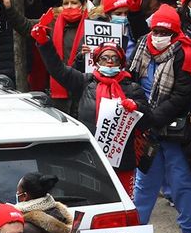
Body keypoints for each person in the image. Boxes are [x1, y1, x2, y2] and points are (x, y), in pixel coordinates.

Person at [129, 4, 191, 233]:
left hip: (172, 131)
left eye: (166, 32)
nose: (159, 36)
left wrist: (152, 118)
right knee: (144, 184)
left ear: (175, 33)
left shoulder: (186, 53)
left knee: (182, 181)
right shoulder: (143, 45)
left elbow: (182, 96)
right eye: (157, 31)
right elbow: (132, 81)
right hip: (146, 128)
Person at [34, 40, 151, 195]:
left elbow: (149, 120)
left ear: (121, 63)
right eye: (105, 57)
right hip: (91, 159)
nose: (110, 62)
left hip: (122, 160)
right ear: (96, 61)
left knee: (123, 204)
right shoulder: (84, 82)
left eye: (115, 58)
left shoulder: (133, 89)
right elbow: (58, 70)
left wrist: (137, 107)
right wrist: (44, 43)